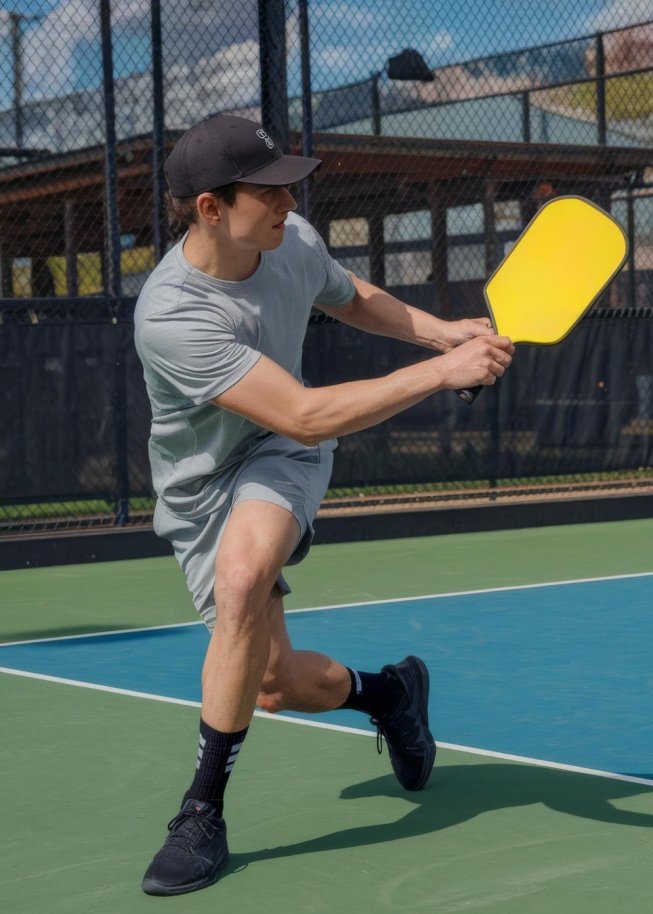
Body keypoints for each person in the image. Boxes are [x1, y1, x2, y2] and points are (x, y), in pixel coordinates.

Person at [134, 113, 514, 896]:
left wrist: (445, 335)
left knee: (243, 581)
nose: (287, 202)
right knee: (273, 683)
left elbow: (351, 296)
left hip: (280, 454)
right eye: (268, 191)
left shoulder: (291, 240)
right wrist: (445, 374)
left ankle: (201, 812)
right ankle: (390, 694)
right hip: (207, 479)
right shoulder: (171, 313)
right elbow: (303, 407)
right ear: (211, 208)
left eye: (287, 188)